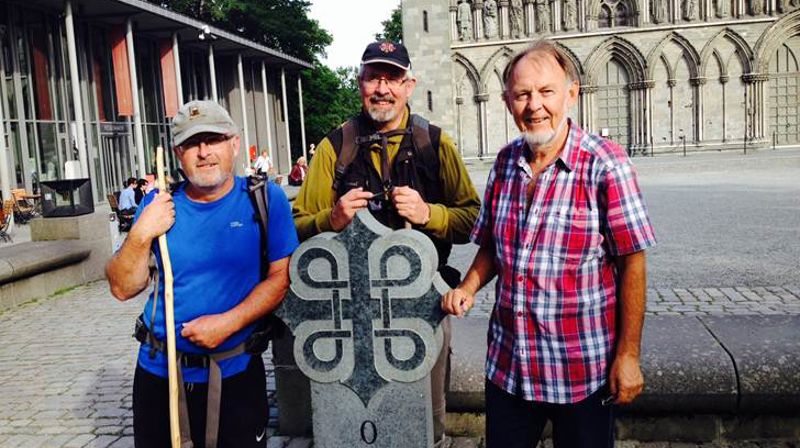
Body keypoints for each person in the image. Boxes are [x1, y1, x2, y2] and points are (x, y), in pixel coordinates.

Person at [441, 40, 657, 448]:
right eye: (522, 94)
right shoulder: (504, 163)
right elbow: (492, 245)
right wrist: (468, 287)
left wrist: (628, 355)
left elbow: (633, 262)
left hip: (581, 371)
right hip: (510, 367)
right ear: (507, 102)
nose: (534, 105)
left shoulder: (606, 164)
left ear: (571, 94)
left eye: (546, 92)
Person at [293, 41, 481, 446]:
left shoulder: (435, 144)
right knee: (356, 416)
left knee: (427, 417)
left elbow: (474, 221)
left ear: (409, 85)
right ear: (359, 83)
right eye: (373, 78)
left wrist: (430, 214)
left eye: (392, 78)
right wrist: (331, 219)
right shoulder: (335, 146)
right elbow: (294, 228)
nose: (382, 88)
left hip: (423, 302)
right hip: (350, 310)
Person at [106, 100, 299, 448]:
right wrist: (141, 232)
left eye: (214, 139)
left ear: (234, 144)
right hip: (159, 374)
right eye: (192, 143)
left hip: (235, 373)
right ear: (178, 154)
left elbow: (279, 279)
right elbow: (122, 287)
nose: (204, 152)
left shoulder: (265, 199)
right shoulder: (158, 205)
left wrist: (227, 323)